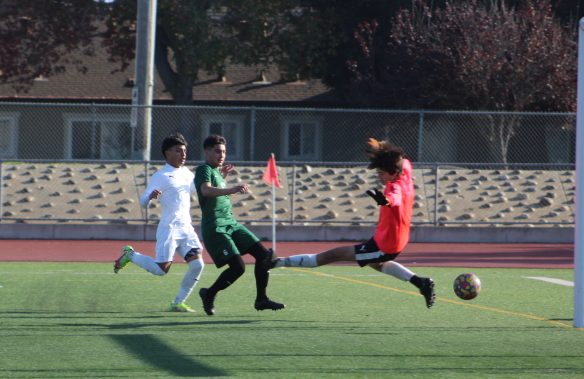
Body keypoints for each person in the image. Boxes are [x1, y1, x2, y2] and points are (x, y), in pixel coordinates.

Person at [272, 138, 436, 309]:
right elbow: (404, 160)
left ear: (394, 173)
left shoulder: (396, 188)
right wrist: (382, 151)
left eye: (381, 173)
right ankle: (421, 283)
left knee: (332, 255)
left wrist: (383, 199)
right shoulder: (405, 172)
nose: (379, 176)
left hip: (386, 245)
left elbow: (394, 199)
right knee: (377, 264)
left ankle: (277, 262)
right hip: (391, 239)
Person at [113, 133, 205, 313]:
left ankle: (178, 302)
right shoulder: (161, 176)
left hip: (186, 228)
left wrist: (217, 179)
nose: (183, 154)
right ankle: (130, 255)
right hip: (169, 229)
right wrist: (150, 197)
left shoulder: (186, 173)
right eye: (178, 151)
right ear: (167, 153)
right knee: (161, 270)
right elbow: (142, 201)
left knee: (197, 265)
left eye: (184, 151)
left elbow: (199, 190)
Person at [195, 134, 284, 315]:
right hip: (215, 227)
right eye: (218, 151)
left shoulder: (217, 173)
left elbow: (215, 185)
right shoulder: (203, 169)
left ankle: (261, 299)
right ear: (206, 151)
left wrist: (222, 176)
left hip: (231, 224)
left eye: (224, 152)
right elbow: (205, 190)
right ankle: (209, 294)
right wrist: (232, 188)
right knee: (238, 268)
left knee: (265, 255)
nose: (222, 155)